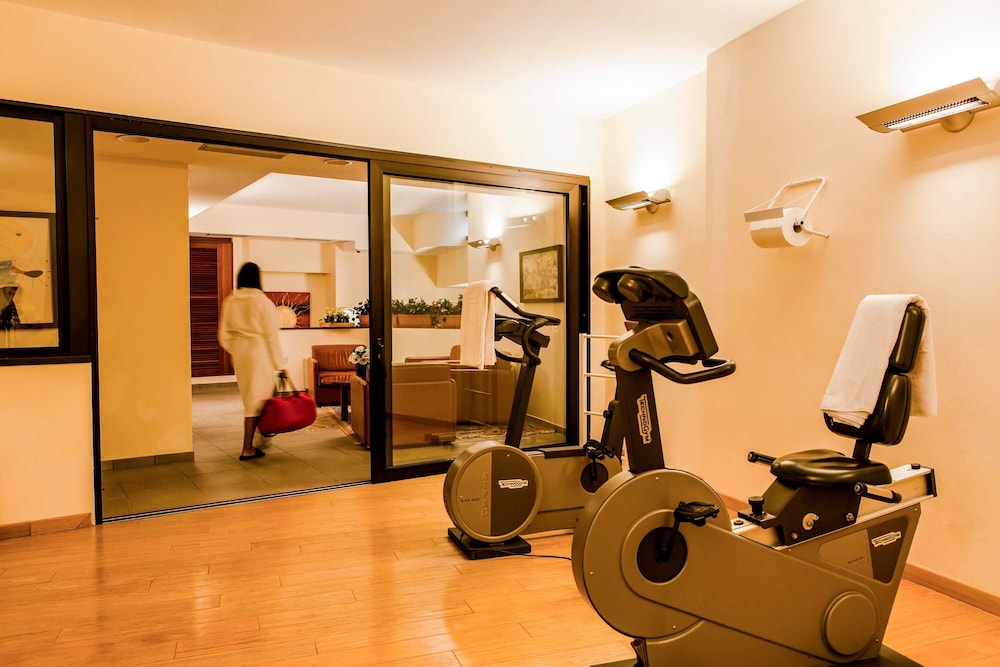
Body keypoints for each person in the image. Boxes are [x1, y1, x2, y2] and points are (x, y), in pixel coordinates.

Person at [218, 262, 287, 460]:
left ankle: (262, 434)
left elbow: (223, 335)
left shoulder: (230, 301)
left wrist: (237, 348)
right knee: (256, 402)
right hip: (259, 354)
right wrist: (280, 365)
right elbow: (271, 337)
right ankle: (248, 447)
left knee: (252, 398)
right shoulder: (262, 302)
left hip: (241, 356)